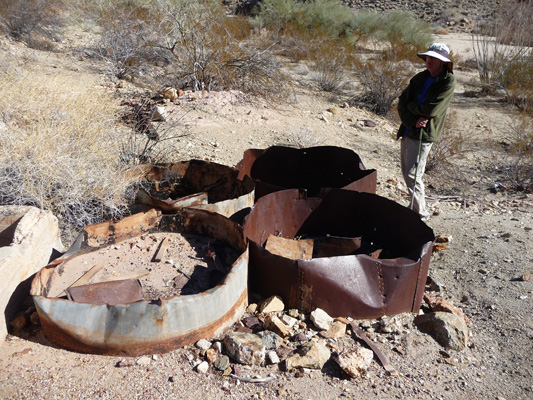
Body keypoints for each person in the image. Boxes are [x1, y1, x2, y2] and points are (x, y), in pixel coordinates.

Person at [397, 42, 456, 219]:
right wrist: (412, 122)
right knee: (407, 173)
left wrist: (412, 107)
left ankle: (420, 213)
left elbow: (431, 110)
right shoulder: (420, 78)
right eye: (428, 57)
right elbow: (402, 102)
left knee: (413, 175)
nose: (429, 60)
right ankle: (415, 208)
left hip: (424, 133)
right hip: (410, 129)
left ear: (442, 62)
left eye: (434, 58)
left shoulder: (448, 81)